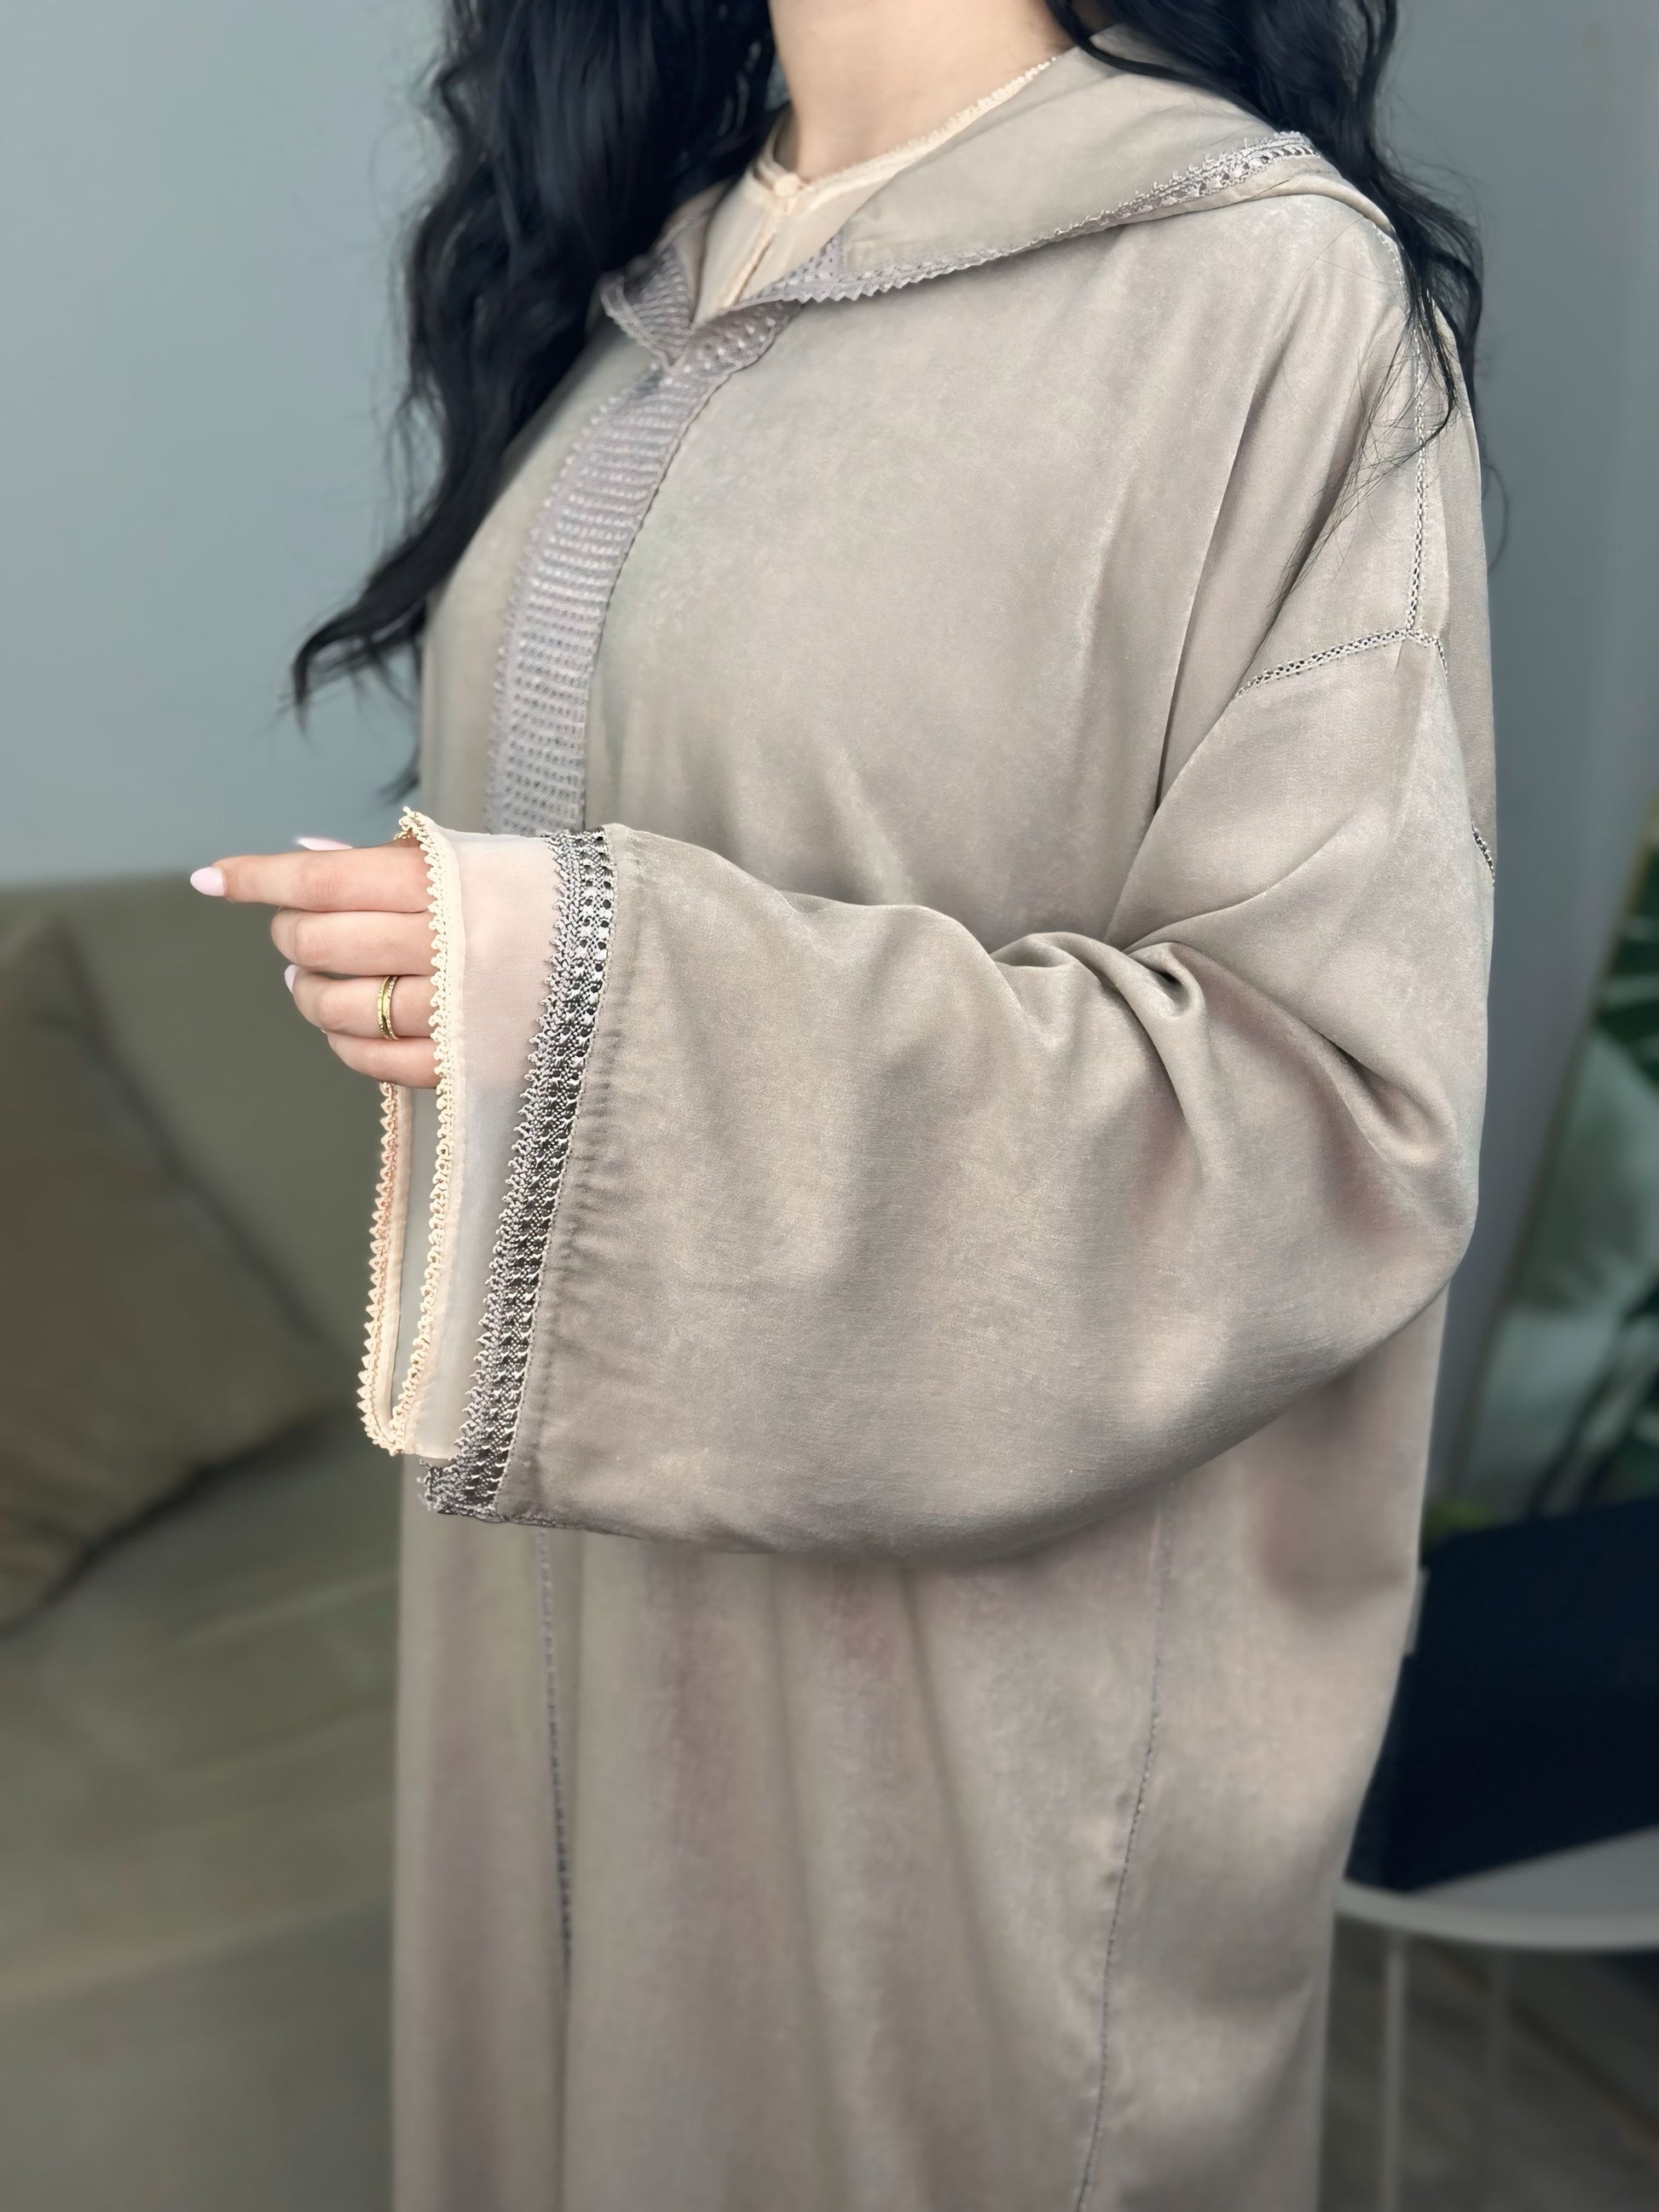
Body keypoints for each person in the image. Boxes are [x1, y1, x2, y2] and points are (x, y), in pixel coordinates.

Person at [193, 1, 1494, 2204]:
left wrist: (578, 990)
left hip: (950, 1749)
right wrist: (490, 988)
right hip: (563, 1638)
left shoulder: (1253, 288)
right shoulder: (654, 283)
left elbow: (1326, 1117)